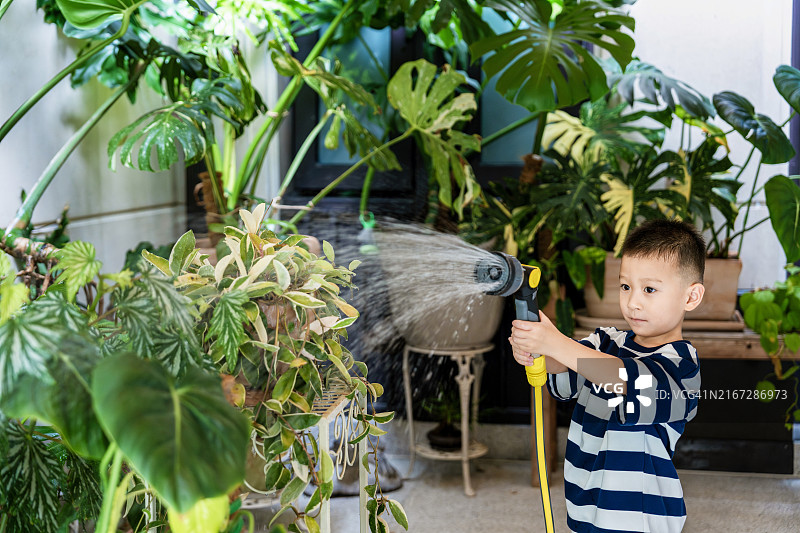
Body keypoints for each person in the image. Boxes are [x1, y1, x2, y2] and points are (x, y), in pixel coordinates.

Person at [509, 219, 706, 533]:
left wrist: (555, 342)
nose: (633, 301)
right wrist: (536, 350)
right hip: (586, 501)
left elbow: (630, 383)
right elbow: (565, 366)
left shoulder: (681, 363)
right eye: (626, 286)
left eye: (650, 289)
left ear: (690, 297)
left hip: (642, 514)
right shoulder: (606, 341)